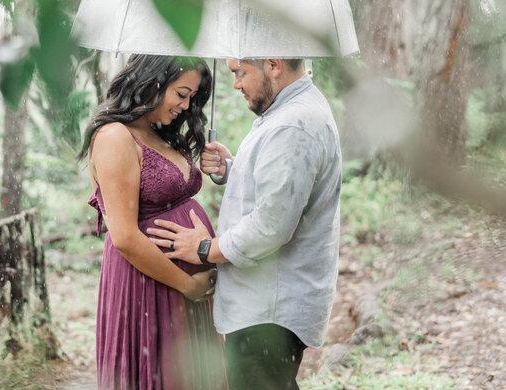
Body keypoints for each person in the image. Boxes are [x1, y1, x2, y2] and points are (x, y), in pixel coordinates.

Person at [147, 58, 342, 390]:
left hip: (269, 308)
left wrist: (205, 248)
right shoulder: (291, 110)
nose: (236, 84)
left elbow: (270, 227)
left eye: (241, 73)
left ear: (273, 65)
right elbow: (285, 191)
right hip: (266, 302)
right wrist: (231, 169)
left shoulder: (291, 125)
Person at [79, 53, 227, 390]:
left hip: (187, 285)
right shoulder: (116, 136)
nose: (186, 105)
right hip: (149, 283)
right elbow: (125, 237)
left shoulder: (160, 133)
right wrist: (187, 285)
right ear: (153, 80)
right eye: (181, 93)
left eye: (192, 97)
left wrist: (220, 164)